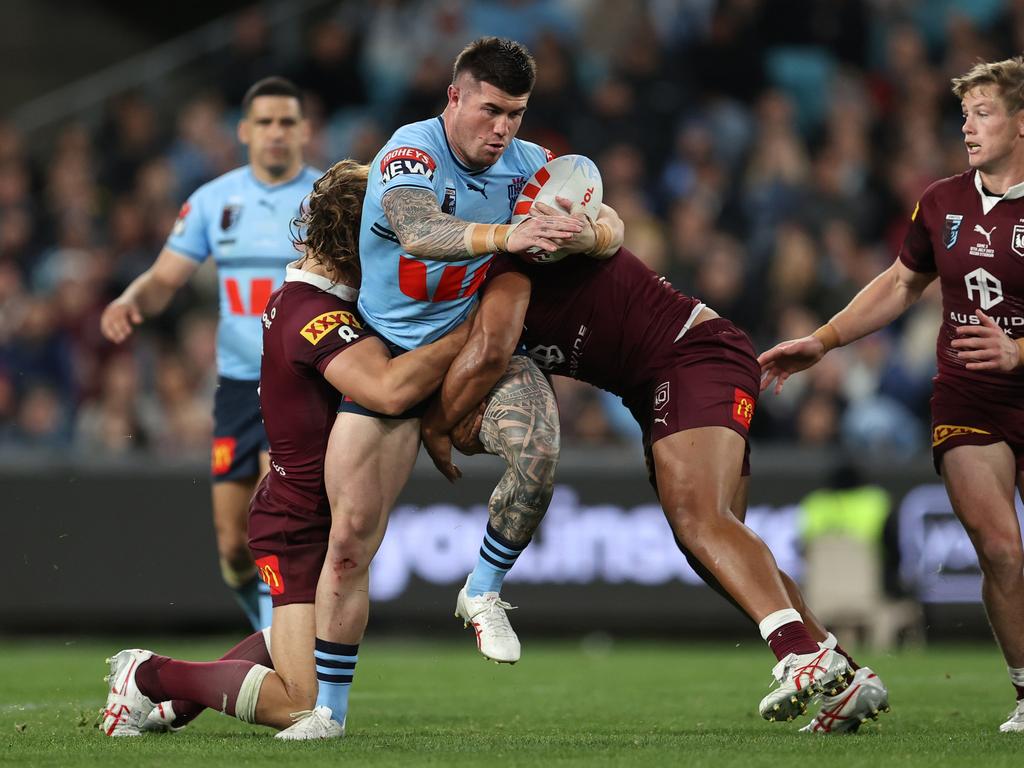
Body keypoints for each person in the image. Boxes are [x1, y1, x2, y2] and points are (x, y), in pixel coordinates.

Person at [420, 239, 875, 726]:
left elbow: (495, 347)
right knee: (711, 547)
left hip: (691, 355)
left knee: (702, 522)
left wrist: (434, 424)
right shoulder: (475, 289)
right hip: (669, 375)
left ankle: (800, 656)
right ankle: (843, 678)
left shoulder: (514, 255)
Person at [101, 159, 474, 738]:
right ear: (359, 236)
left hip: (308, 511)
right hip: (295, 523)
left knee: (292, 641)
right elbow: (388, 387)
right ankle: (150, 675)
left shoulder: (314, 297)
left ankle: (175, 704)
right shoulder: (313, 315)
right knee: (302, 704)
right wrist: (474, 332)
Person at [759, 56, 1024, 734]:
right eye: (964, 115)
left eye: (984, 113)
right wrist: (822, 340)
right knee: (999, 549)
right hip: (969, 397)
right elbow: (902, 284)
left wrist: (1020, 350)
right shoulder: (941, 202)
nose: (968, 127)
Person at [100, 77, 319, 630]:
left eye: (287, 122)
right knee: (232, 545)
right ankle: (270, 633)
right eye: (265, 122)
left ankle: (284, 649)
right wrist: (131, 299)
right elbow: (165, 277)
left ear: (304, 130)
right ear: (244, 132)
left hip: (300, 383)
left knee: (280, 523)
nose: (276, 132)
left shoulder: (328, 199)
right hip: (237, 389)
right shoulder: (213, 201)